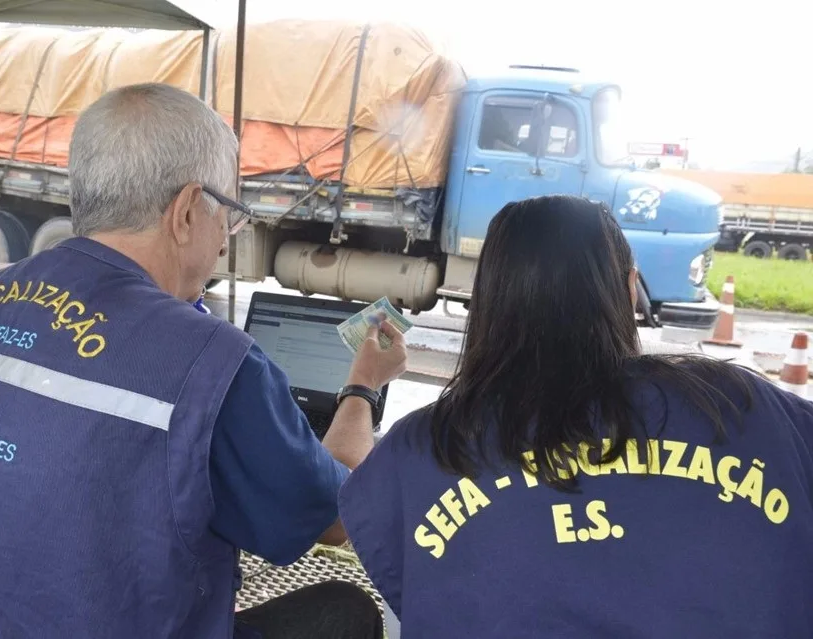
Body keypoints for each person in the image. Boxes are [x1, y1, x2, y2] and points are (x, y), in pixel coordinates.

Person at [0, 83, 407, 639]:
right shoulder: (209, 364)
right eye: (230, 216)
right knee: (346, 609)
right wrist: (362, 388)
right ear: (188, 211)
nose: (224, 244)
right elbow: (337, 514)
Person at [339, 195, 813, 638]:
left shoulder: (429, 443)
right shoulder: (741, 405)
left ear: (487, 304)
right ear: (630, 289)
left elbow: (340, 491)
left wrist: (362, 387)